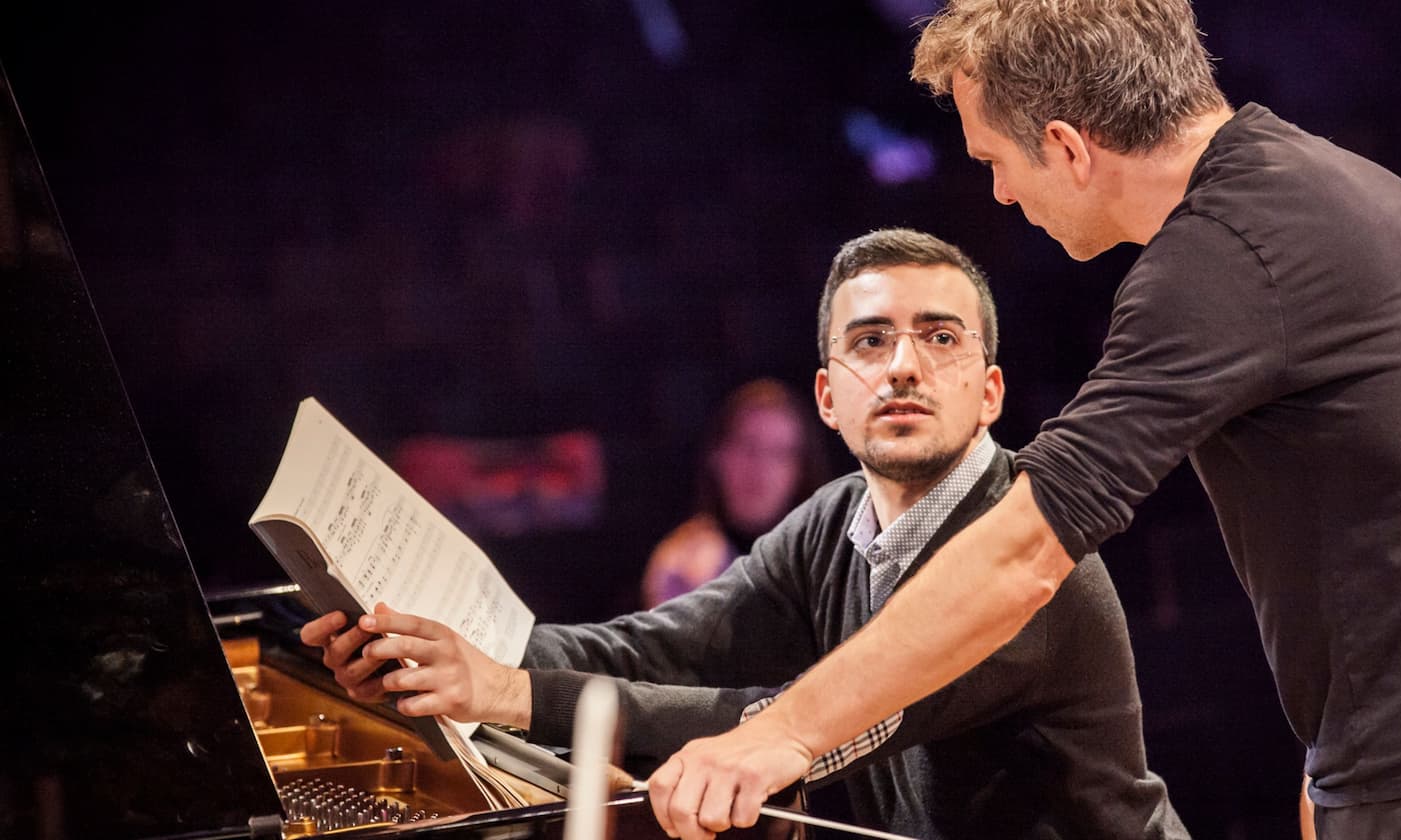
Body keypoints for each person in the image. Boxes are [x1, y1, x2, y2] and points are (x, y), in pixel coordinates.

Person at [645, 2, 1401, 839]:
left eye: (994, 159)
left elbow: (1022, 551)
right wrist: (1333, 766)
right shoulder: (1311, 183)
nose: (997, 192)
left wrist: (782, 733)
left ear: (1067, 146)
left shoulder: (1217, 258)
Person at [300, 228, 1188, 839]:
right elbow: (660, 650)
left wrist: (505, 691)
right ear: (828, 398)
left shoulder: (1022, 559)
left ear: (989, 391)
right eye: (870, 341)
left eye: (940, 338)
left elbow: (784, 726)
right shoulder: (833, 521)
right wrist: (448, 650)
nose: (905, 366)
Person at [640, 378, 829, 609]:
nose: (761, 468)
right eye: (748, 446)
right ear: (716, 456)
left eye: (780, 453)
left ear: (800, 471)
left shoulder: (826, 562)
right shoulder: (682, 565)